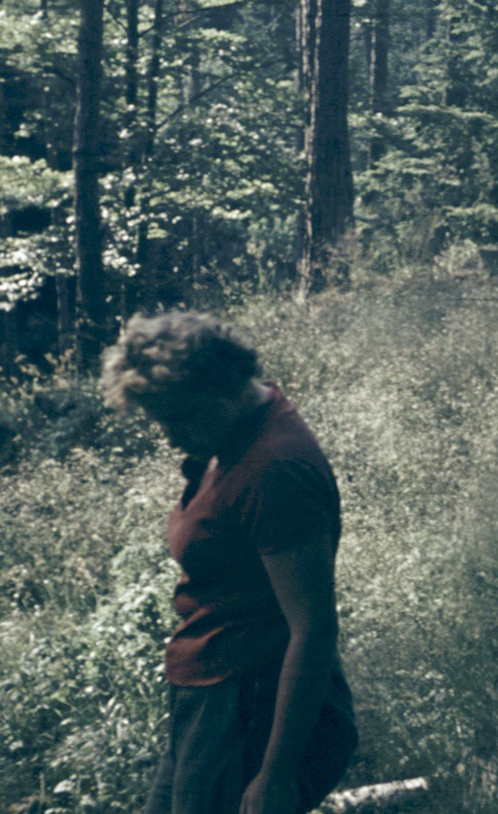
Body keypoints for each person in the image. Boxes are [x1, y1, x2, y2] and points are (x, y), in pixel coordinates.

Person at [100, 312, 356, 814]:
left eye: (179, 418)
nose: (171, 438)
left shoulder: (273, 470)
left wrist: (275, 773)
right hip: (210, 695)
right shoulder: (234, 435)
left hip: (247, 705)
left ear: (224, 388)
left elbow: (314, 629)